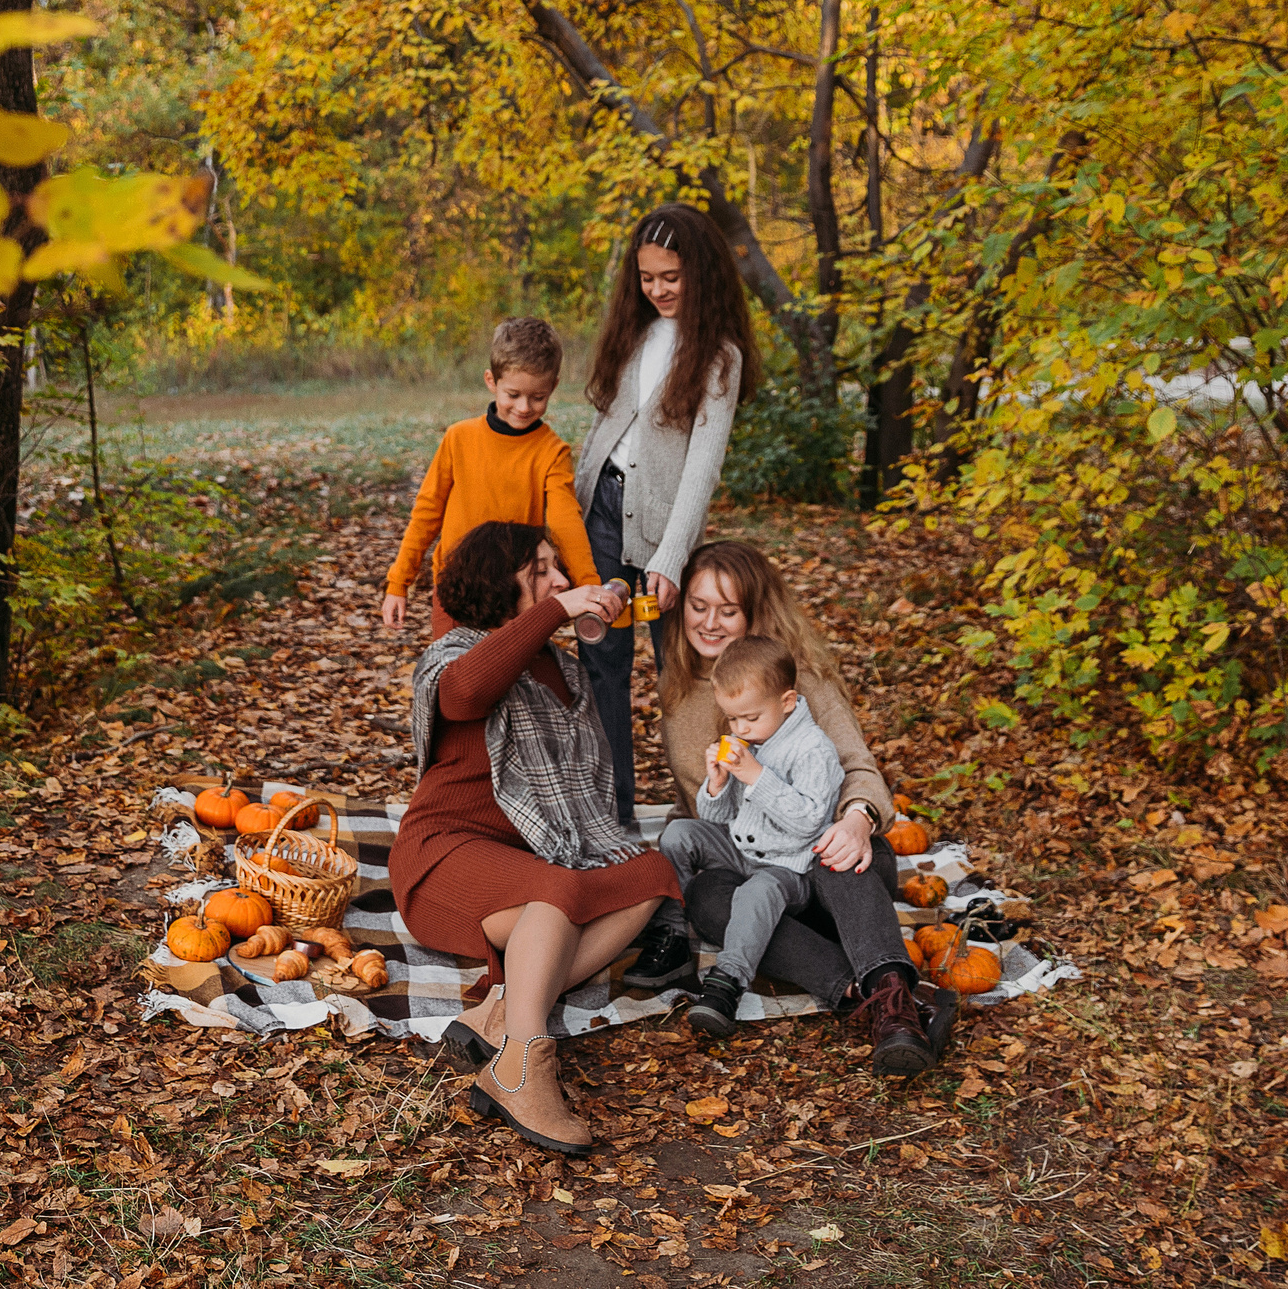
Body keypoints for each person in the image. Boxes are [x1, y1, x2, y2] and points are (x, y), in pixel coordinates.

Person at [391, 520, 680, 1156]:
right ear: (503, 581)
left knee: (652, 874)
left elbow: (576, 792)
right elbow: (465, 696)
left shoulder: (563, 669)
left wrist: (557, 618)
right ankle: (522, 1063)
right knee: (559, 892)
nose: (559, 580)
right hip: (442, 859)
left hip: (521, 864)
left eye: (557, 569)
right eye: (540, 570)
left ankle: (501, 1009)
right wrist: (555, 609)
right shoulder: (456, 652)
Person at [643, 540, 956, 1076]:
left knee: (836, 855)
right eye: (699, 606)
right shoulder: (679, 690)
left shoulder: (797, 681)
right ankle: (877, 997)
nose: (710, 623)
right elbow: (699, 811)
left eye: (728, 609)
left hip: (834, 871)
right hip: (761, 874)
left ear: (753, 612)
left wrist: (858, 818)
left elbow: (860, 768)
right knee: (709, 898)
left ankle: (893, 1005)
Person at [574, 204, 759, 824]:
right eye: (648, 276)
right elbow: (605, 430)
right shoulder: (634, 333)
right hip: (601, 512)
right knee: (602, 665)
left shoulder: (718, 357)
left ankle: (707, 813)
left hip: (662, 532)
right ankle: (612, 815)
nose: (658, 289)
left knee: (681, 677)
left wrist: (672, 557)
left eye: (671, 277)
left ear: (701, 273)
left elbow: (701, 470)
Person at [657, 636, 843, 1039]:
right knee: (679, 833)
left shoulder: (813, 749)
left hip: (788, 866)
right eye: (732, 719)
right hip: (742, 848)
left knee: (757, 892)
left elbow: (808, 821)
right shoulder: (755, 739)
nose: (741, 729)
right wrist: (718, 785)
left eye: (750, 718)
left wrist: (756, 776)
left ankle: (728, 982)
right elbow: (721, 817)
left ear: (788, 701)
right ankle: (671, 930)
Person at [383, 317, 600, 632]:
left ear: (553, 386)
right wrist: (398, 582)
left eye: (537, 397)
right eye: (513, 395)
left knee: (514, 676)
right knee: (458, 674)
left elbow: (566, 522)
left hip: (520, 597)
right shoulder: (459, 439)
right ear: (491, 381)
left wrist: (588, 585)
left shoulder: (552, 452)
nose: (524, 407)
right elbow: (427, 513)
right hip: (458, 590)